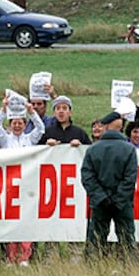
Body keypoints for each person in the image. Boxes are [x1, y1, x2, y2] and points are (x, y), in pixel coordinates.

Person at [0, 95, 45, 266]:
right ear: (10, 124)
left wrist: (31, 112)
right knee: (11, 221)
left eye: (20, 123)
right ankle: (10, 256)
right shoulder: (5, 139)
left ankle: (24, 256)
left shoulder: (29, 139)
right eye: (14, 123)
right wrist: (3, 109)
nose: (17, 125)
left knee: (26, 221)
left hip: (27, 185)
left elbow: (41, 129)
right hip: (9, 185)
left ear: (24, 124)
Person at [38, 95, 91, 264]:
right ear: (53, 112)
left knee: (74, 219)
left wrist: (80, 146)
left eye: (64, 108)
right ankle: (50, 255)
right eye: (58, 108)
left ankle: (75, 255)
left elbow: (89, 153)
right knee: (52, 219)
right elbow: (35, 156)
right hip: (52, 187)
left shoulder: (79, 133)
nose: (61, 111)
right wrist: (46, 146)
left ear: (70, 111)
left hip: (74, 187)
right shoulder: (48, 133)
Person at [81, 111, 138, 264]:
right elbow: (130, 178)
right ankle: (131, 271)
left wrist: (101, 197)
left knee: (96, 241)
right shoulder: (129, 149)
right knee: (127, 240)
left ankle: (92, 270)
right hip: (123, 204)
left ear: (106, 126)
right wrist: (119, 199)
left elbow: (87, 176)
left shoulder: (93, 149)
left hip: (100, 203)